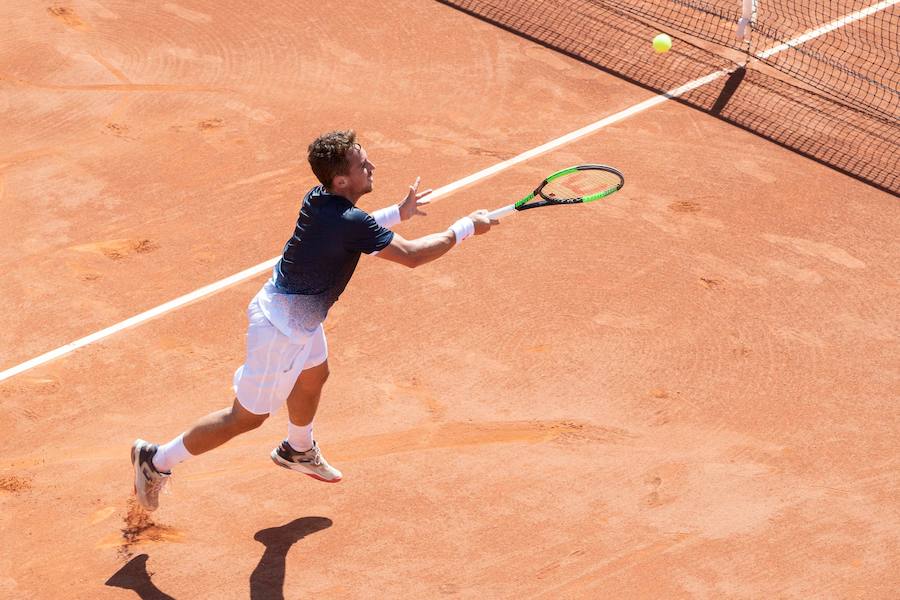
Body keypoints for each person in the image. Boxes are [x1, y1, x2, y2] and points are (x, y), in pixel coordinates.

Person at [131, 129, 496, 511]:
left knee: (313, 376)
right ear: (342, 180)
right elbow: (411, 256)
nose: (371, 167)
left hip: (295, 317)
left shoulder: (321, 199)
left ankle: (298, 448)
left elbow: (355, 229)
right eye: (362, 165)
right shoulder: (349, 221)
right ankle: (156, 460)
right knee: (244, 418)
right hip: (279, 332)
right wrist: (465, 227)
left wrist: (397, 214)